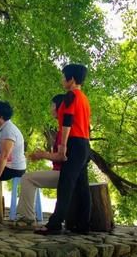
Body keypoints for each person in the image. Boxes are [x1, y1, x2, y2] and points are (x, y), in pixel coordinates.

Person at [35, 64, 91, 235]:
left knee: (65, 185)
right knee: (82, 186)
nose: (62, 80)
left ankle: (55, 224)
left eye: (63, 76)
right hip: (84, 143)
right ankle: (83, 224)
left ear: (71, 79)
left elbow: (67, 121)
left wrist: (62, 147)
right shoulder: (84, 98)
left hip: (73, 142)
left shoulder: (70, 96)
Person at [14, 94, 65, 226]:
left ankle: (27, 218)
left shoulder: (64, 131)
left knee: (27, 178)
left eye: (52, 105)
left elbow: (62, 156)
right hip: (62, 172)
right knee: (29, 178)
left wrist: (43, 155)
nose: (50, 109)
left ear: (60, 108)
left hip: (64, 174)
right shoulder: (62, 129)